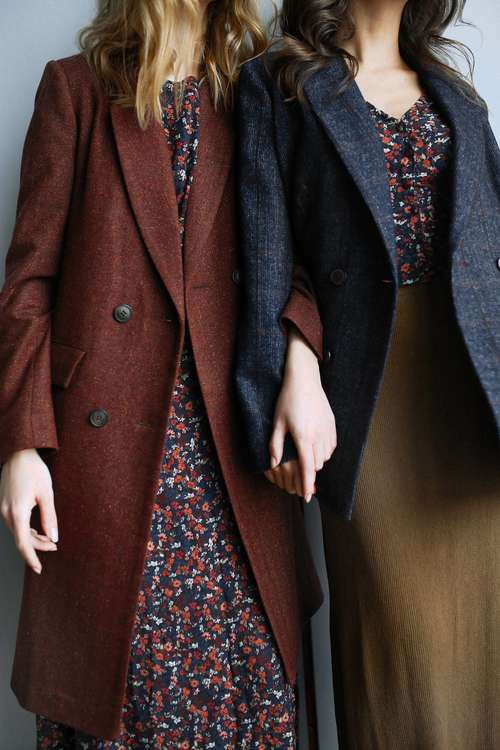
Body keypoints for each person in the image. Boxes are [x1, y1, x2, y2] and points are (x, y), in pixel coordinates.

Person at [0, 0, 324, 746]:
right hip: (108, 460)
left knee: (246, 693)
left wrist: (303, 364)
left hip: (236, 456)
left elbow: (308, 265)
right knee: (120, 695)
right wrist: (22, 446)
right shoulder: (76, 90)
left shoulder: (262, 94)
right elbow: (28, 287)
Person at [235, 0, 500, 747]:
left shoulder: (457, 95)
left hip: (474, 395)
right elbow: (264, 260)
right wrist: (292, 368)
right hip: (363, 392)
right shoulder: (279, 84)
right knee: (401, 659)